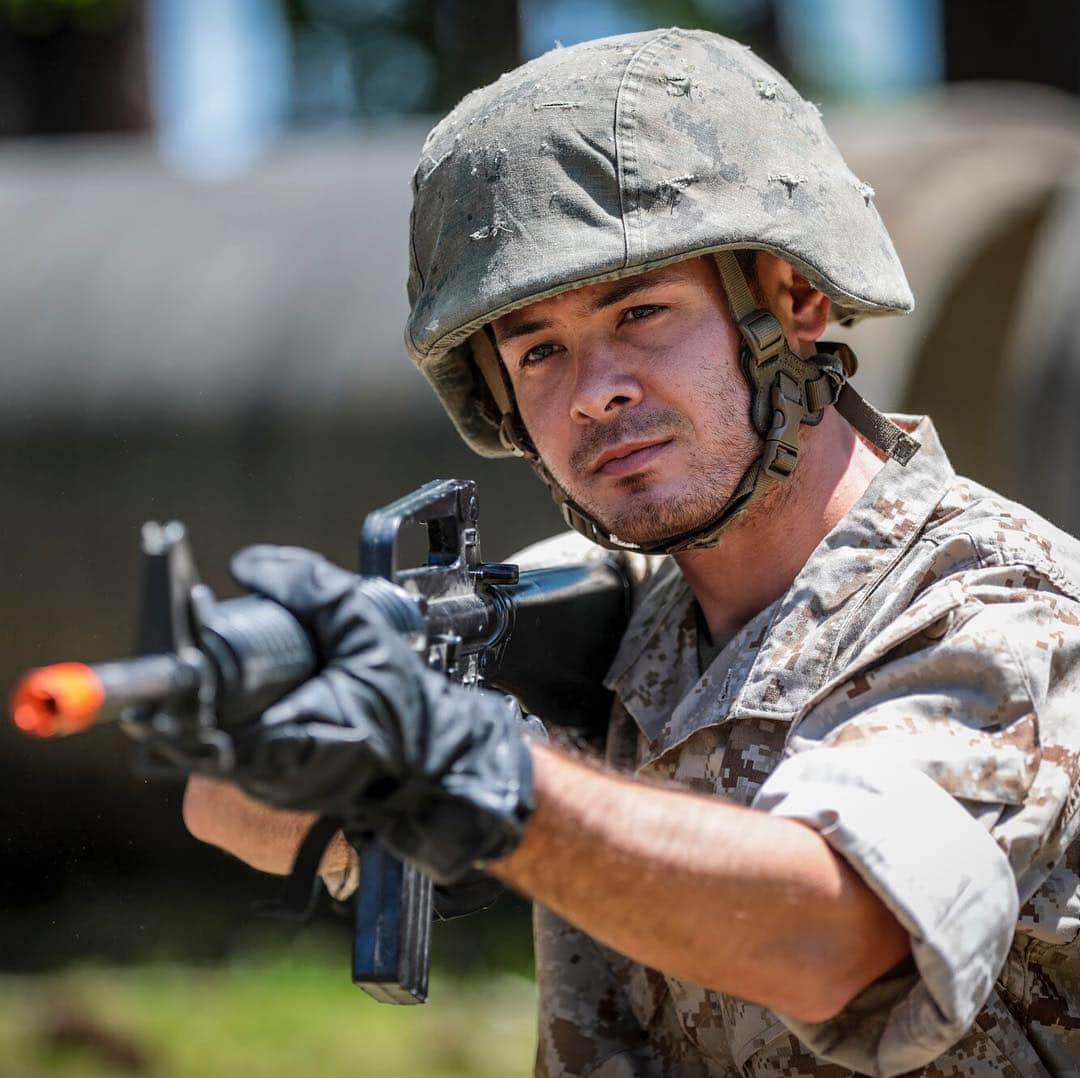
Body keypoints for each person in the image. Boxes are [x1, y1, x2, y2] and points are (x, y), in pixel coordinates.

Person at [182, 29, 1080, 1076]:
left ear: (794, 301)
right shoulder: (629, 616)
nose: (594, 389)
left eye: (642, 312)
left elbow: (828, 933)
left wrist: (489, 772)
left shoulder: (1003, 612)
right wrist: (293, 717)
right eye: (539, 349)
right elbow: (232, 813)